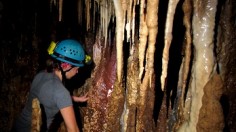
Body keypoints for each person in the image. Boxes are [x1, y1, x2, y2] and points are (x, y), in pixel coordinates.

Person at [13, 39, 89, 132]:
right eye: (77, 68)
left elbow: (51, 96)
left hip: (18, 126)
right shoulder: (61, 92)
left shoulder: (41, 74)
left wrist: (75, 98)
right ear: (67, 66)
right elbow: (73, 129)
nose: (77, 72)